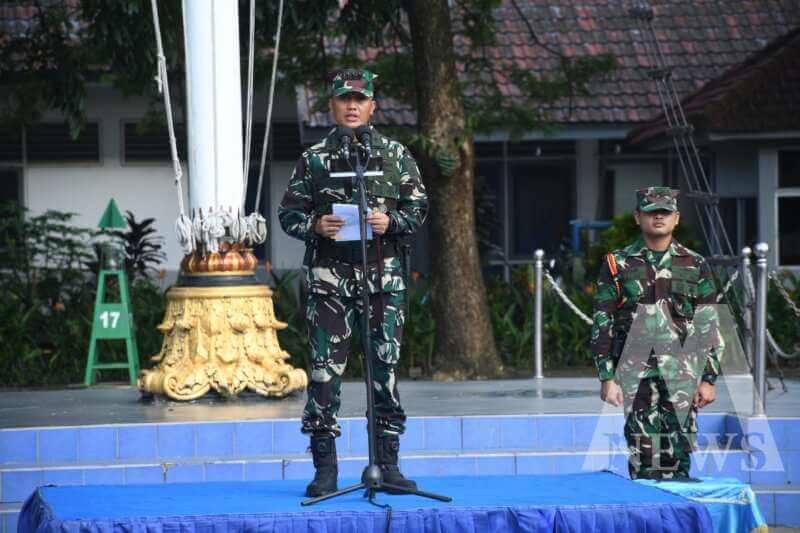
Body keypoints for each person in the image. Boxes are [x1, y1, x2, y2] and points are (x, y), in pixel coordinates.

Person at [278, 68, 427, 497]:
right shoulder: (315, 158)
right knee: (325, 374)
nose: (352, 106)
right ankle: (326, 470)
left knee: (385, 371)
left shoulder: (396, 155)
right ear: (332, 106)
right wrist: (315, 224)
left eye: (360, 99)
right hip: (330, 283)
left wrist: (390, 221)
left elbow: (418, 209)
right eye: (344, 99)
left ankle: (388, 465)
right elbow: (288, 214)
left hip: (384, 282)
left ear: (373, 105)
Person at [590, 187, 723, 480]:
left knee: (679, 458)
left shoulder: (695, 264)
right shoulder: (618, 264)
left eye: (665, 212)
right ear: (638, 217)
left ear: (676, 218)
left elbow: (708, 323)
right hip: (636, 375)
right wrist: (606, 376)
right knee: (644, 458)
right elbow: (603, 320)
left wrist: (709, 379)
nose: (658, 217)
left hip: (683, 375)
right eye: (651, 212)